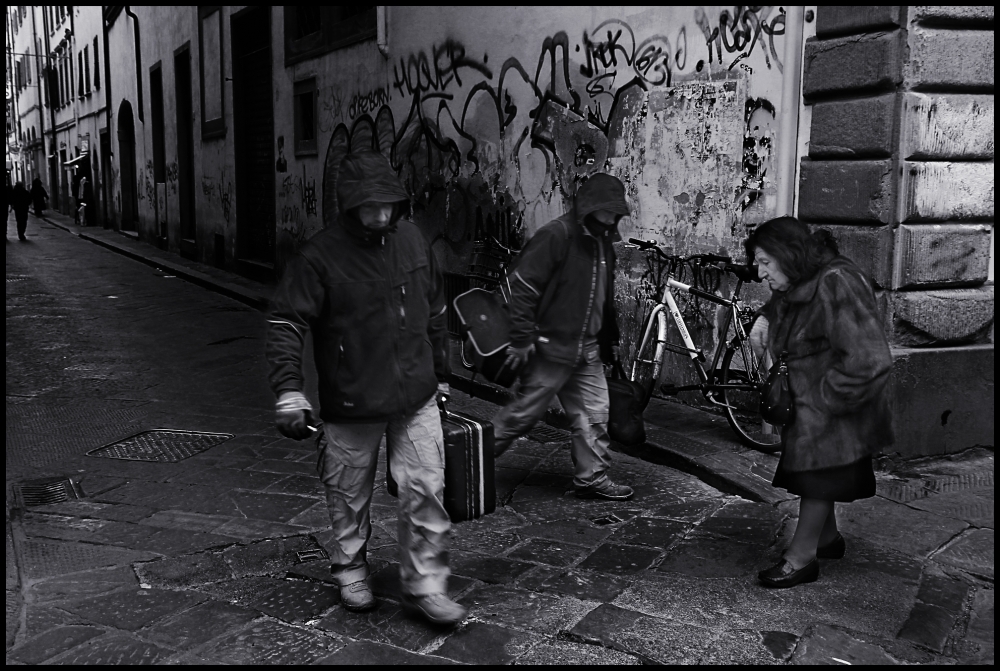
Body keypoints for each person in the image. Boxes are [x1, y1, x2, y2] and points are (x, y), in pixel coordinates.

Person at [265, 150, 466, 625]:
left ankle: (426, 584)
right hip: (351, 397)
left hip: (415, 391)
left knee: (427, 487)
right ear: (349, 204)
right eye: (368, 205)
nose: (379, 215)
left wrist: (442, 375)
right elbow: (286, 320)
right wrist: (289, 389)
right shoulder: (318, 257)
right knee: (348, 490)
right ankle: (351, 567)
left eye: (387, 205)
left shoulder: (414, 240)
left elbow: (436, 311)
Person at [746, 217, 893, 589]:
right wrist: (765, 318)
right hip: (811, 403)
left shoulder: (836, 283)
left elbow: (870, 358)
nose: (758, 271)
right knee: (814, 475)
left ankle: (801, 557)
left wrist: (825, 401)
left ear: (787, 255)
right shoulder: (806, 277)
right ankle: (827, 539)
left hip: (833, 406)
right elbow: (788, 304)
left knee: (816, 480)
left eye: (765, 262)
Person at [491, 173, 634, 501]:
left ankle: (592, 477)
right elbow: (523, 287)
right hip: (549, 349)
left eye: (617, 212)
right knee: (522, 415)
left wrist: (609, 339)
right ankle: (468, 463)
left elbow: (603, 295)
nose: (614, 217)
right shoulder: (556, 235)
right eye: (609, 210)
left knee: (595, 416)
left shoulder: (603, 243)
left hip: (587, 348)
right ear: (590, 207)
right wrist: (522, 337)